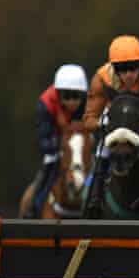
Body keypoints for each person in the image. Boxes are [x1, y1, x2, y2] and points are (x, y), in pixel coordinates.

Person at [82, 35, 139, 217]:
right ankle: (93, 198)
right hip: (117, 114)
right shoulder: (101, 78)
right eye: (122, 69)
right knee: (103, 150)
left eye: (133, 68)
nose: (129, 75)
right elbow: (89, 119)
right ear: (113, 69)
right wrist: (104, 124)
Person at [24, 64, 88, 219]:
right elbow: (43, 138)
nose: (72, 102)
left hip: (82, 146)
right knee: (47, 168)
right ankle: (34, 208)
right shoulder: (45, 104)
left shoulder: (90, 103)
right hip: (56, 147)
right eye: (67, 96)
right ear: (58, 94)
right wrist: (58, 145)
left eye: (76, 96)